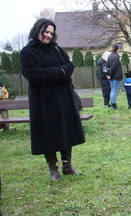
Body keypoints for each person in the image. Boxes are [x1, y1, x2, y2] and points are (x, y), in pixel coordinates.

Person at [20, 18, 85, 181]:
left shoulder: (56, 49)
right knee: (48, 133)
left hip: (63, 97)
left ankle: (67, 166)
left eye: (51, 33)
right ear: (37, 31)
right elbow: (34, 75)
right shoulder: (28, 52)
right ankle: (53, 170)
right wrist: (59, 73)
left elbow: (69, 66)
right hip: (43, 100)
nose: (48, 35)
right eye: (46, 32)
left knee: (66, 130)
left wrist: (58, 72)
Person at [106, 44, 123, 110]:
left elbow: (107, 66)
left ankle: (112, 103)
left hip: (111, 76)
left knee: (112, 90)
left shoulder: (110, 56)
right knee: (114, 91)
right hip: (116, 75)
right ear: (117, 49)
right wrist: (110, 74)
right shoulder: (116, 56)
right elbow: (114, 67)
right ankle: (114, 104)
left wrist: (108, 74)